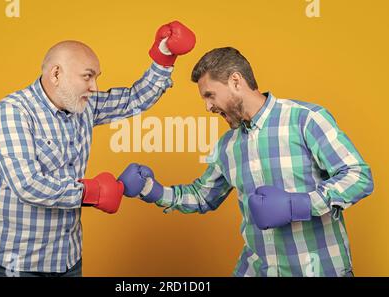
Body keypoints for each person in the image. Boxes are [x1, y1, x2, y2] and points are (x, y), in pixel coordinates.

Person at [118, 47, 374, 277]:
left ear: (236, 81)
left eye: (210, 95)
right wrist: (151, 190)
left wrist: (298, 204)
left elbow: (358, 176)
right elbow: (202, 196)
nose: (208, 107)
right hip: (257, 269)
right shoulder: (227, 145)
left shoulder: (305, 119)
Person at [0, 21, 196, 277]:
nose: (94, 86)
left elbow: (134, 100)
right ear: (56, 74)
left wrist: (164, 57)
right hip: (15, 264)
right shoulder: (14, 111)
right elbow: (27, 185)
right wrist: (92, 192)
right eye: (87, 76)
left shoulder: (83, 106)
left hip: (67, 258)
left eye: (96, 77)